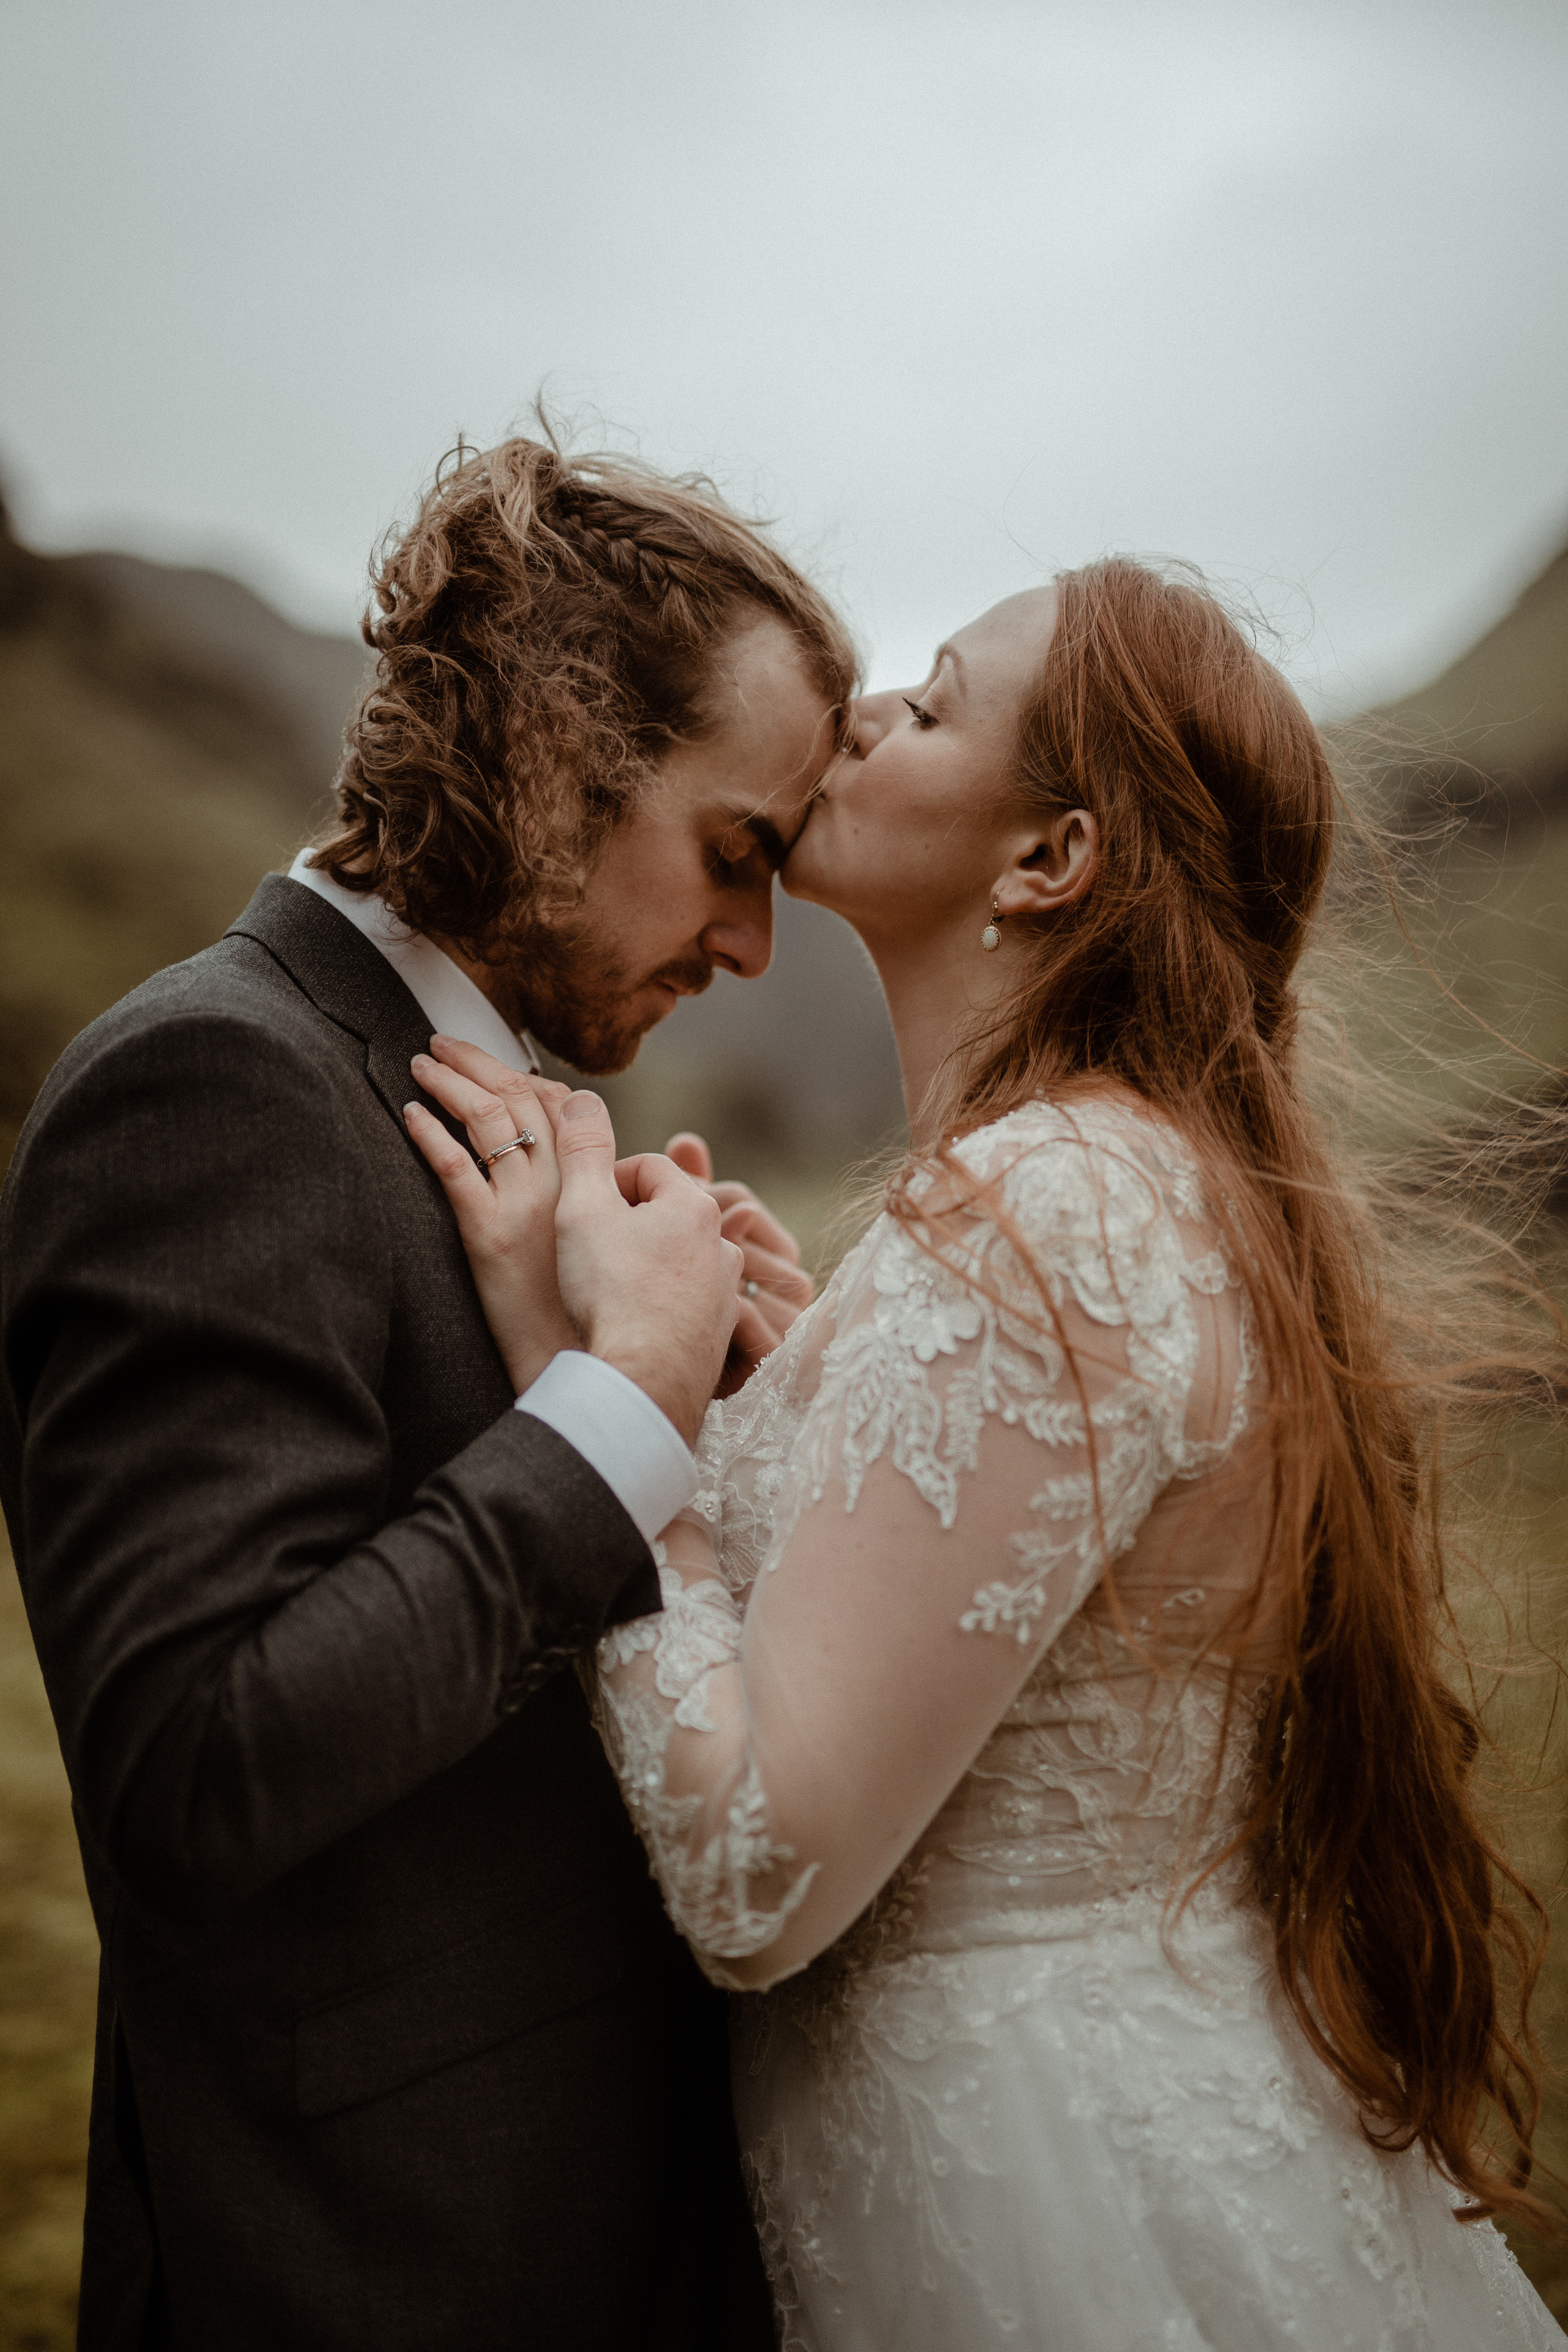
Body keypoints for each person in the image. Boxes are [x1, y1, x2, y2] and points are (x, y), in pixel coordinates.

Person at [420, 557, 1567, 2347]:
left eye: (936, 703)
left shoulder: (1044, 1212)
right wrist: (782, 1404)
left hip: (1040, 2215)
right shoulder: (1103, 1184)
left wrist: (610, 1392)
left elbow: (755, 1880)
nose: (867, 714)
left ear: (1049, 862)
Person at [0, 433, 854, 2350]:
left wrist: (737, 1417)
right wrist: (617, 1414)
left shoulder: (522, 1117)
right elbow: (196, 1766)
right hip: (387, 2274)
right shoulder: (211, 1090)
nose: (750, 945)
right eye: (738, 854)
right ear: (557, 751)